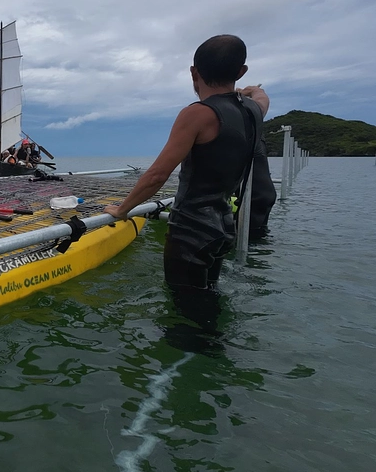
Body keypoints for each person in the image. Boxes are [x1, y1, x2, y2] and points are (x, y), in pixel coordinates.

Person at [104, 35, 269, 295]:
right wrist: (249, 90)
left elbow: (157, 175)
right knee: (209, 296)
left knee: (186, 307)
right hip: (224, 225)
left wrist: (123, 209)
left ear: (194, 72)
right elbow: (262, 96)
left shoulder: (198, 114)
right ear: (241, 71)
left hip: (191, 232)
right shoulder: (254, 110)